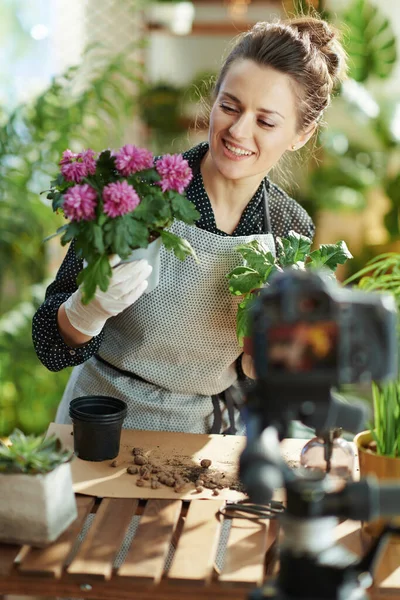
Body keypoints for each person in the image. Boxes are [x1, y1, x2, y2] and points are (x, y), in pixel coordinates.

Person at [32, 15, 348, 436]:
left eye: (266, 121)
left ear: (301, 135)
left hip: (204, 442)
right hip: (99, 424)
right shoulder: (135, 191)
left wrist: (269, 363)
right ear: (213, 100)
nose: (238, 130)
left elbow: (276, 380)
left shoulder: (290, 229)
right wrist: (84, 313)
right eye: (229, 106)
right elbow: (49, 345)